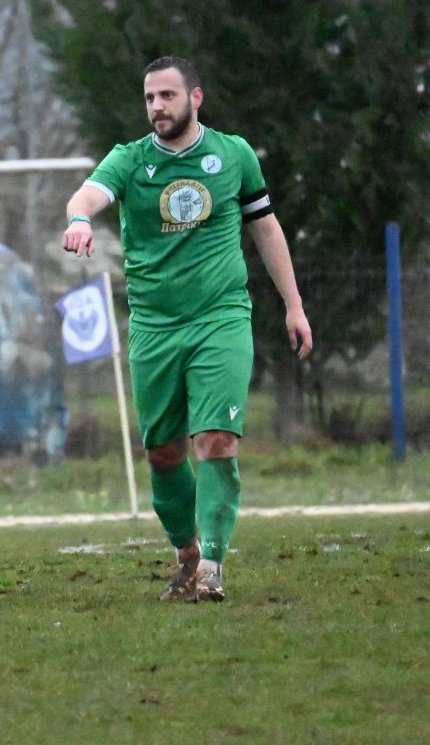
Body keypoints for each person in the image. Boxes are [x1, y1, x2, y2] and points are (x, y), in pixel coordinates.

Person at [61, 56, 312, 603]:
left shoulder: (233, 154)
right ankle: (187, 551)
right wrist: (79, 218)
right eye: (150, 98)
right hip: (154, 325)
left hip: (221, 316)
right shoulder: (130, 160)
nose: (157, 106)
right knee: (164, 452)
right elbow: (88, 195)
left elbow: (266, 229)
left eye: (168, 96)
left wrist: (293, 305)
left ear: (195, 98)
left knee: (216, 438)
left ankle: (213, 565)